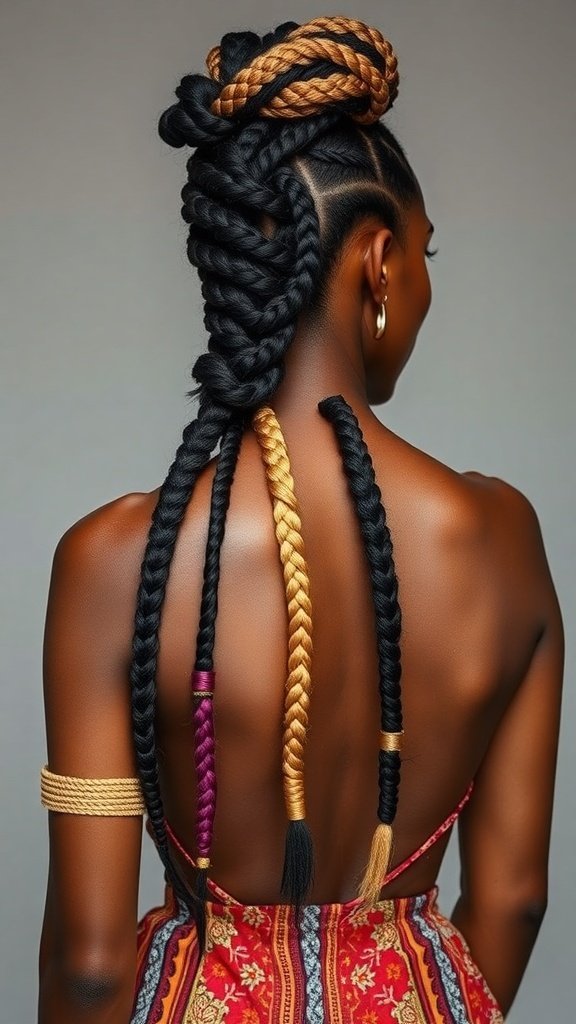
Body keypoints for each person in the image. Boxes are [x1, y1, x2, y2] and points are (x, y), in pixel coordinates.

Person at [38, 15, 564, 1024]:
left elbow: (91, 968)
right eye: (425, 254)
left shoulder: (115, 559)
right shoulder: (501, 538)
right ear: (379, 263)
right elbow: (512, 900)